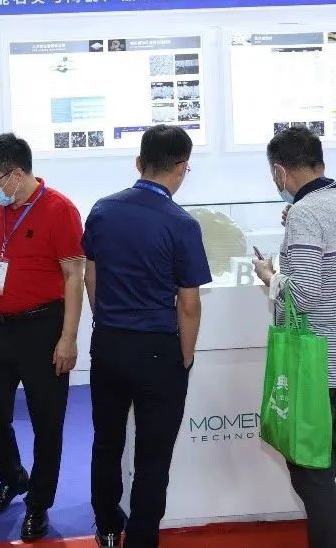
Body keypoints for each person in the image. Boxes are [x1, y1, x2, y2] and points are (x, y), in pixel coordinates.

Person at [253, 126, 336, 548]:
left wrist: (270, 275)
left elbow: (306, 294)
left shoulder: (305, 215)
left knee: (310, 464)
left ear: (280, 172)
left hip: (317, 364)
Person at [82, 125, 211, 548]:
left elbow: (91, 275)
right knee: (153, 454)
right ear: (182, 168)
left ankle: (106, 526)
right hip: (158, 349)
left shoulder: (103, 210)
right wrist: (184, 356)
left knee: (107, 440)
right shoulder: (182, 223)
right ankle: (141, 538)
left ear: (139, 162)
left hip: (109, 343)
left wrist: (107, 320)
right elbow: (188, 304)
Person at [0, 132, 85, 541]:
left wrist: (68, 338)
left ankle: (38, 504)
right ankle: (13, 478)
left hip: (42, 329)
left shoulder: (60, 209)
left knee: (47, 423)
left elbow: (74, 276)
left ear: (16, 174)